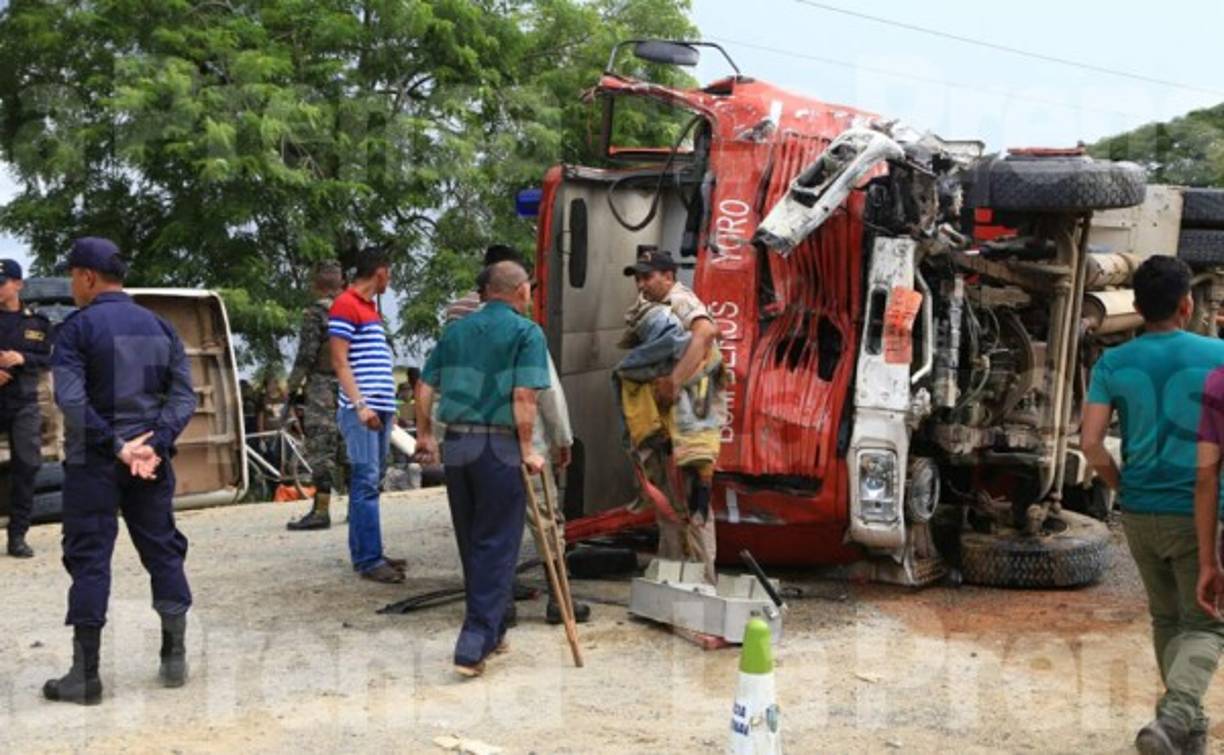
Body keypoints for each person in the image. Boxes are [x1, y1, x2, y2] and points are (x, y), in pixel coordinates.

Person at [44, 237, 197, 705]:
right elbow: (183, 397)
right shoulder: (160, 327)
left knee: (90, 559)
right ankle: (174, 657)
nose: (72, 285)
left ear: (88, 276)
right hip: (151, 462)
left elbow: (71, 401)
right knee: (163, 550)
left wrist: (117, 447)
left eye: (72, 276)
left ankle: (85, 676)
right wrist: (154, 442)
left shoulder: (75, 330)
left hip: (95, 463)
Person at [1082, 255, 1224, 755]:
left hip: (1140, 509)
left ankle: (1190, 731)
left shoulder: (1114, 363)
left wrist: (1119, 486)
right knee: (1207, 623)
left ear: (1138, 307)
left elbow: (1093, 443)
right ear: (1188, 305)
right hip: (1203, 513)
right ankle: (1174, 720)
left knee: (1167, 620)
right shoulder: (1221, 356)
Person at [416, 261, 550, 678]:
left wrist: (424, 435)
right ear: (520, 291)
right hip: (499, 444)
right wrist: (528, 448)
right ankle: (472, 644)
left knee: (473, 538)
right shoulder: (526, 331)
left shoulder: (455, 331)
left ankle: (491, 632)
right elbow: (524, 393)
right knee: (496, 542)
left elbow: (424, 385)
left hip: (458, 442)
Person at [443, 246, 590, 625]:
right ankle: (560, 600)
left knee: (487, 526)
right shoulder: (524, 332)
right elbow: (546, 392)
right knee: (543, 520)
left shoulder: (462, 326)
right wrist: (563, 439)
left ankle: (499, 604)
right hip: (526, 442)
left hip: (474, 442)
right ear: (516, 286)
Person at [620, 246, 723, 584]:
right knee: (669, 496)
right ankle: (674, 577)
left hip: (693, 403)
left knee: (695, 497)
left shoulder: (679, 298)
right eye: (638, 277)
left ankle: (703, 582)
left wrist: (674, 381)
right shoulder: (655, 307)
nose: (641, 284)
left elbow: (705, 332)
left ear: (668, 276)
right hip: (677, 411)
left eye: (647, 276)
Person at [329, 246, 404, 583]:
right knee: (365, 482)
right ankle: (368, 559)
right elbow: (340, 361)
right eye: (389, 272)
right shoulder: (346, 305)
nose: (390, 278)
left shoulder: (369, 308)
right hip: (363, 408)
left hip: (379, 406)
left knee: (371, 481)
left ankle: (368, 552)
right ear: (380, 272)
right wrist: (360, 405)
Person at [284, 261, 346, 531]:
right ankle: (359, 508)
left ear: (316, 285)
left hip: (322, 387)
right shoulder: (352, 309)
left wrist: (292, 386)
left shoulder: (315, 313)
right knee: (348, 446)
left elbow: (307, 355)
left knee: (322, 448)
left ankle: (321, 511)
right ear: (341, 284)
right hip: (350, 385)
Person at [0, 259, 52, 558]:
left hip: (23, 403)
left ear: (18, 284)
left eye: (2, 282)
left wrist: (22, 359)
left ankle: (17, 535)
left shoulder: (38, 322)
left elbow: (48, 359)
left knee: (27, 467)